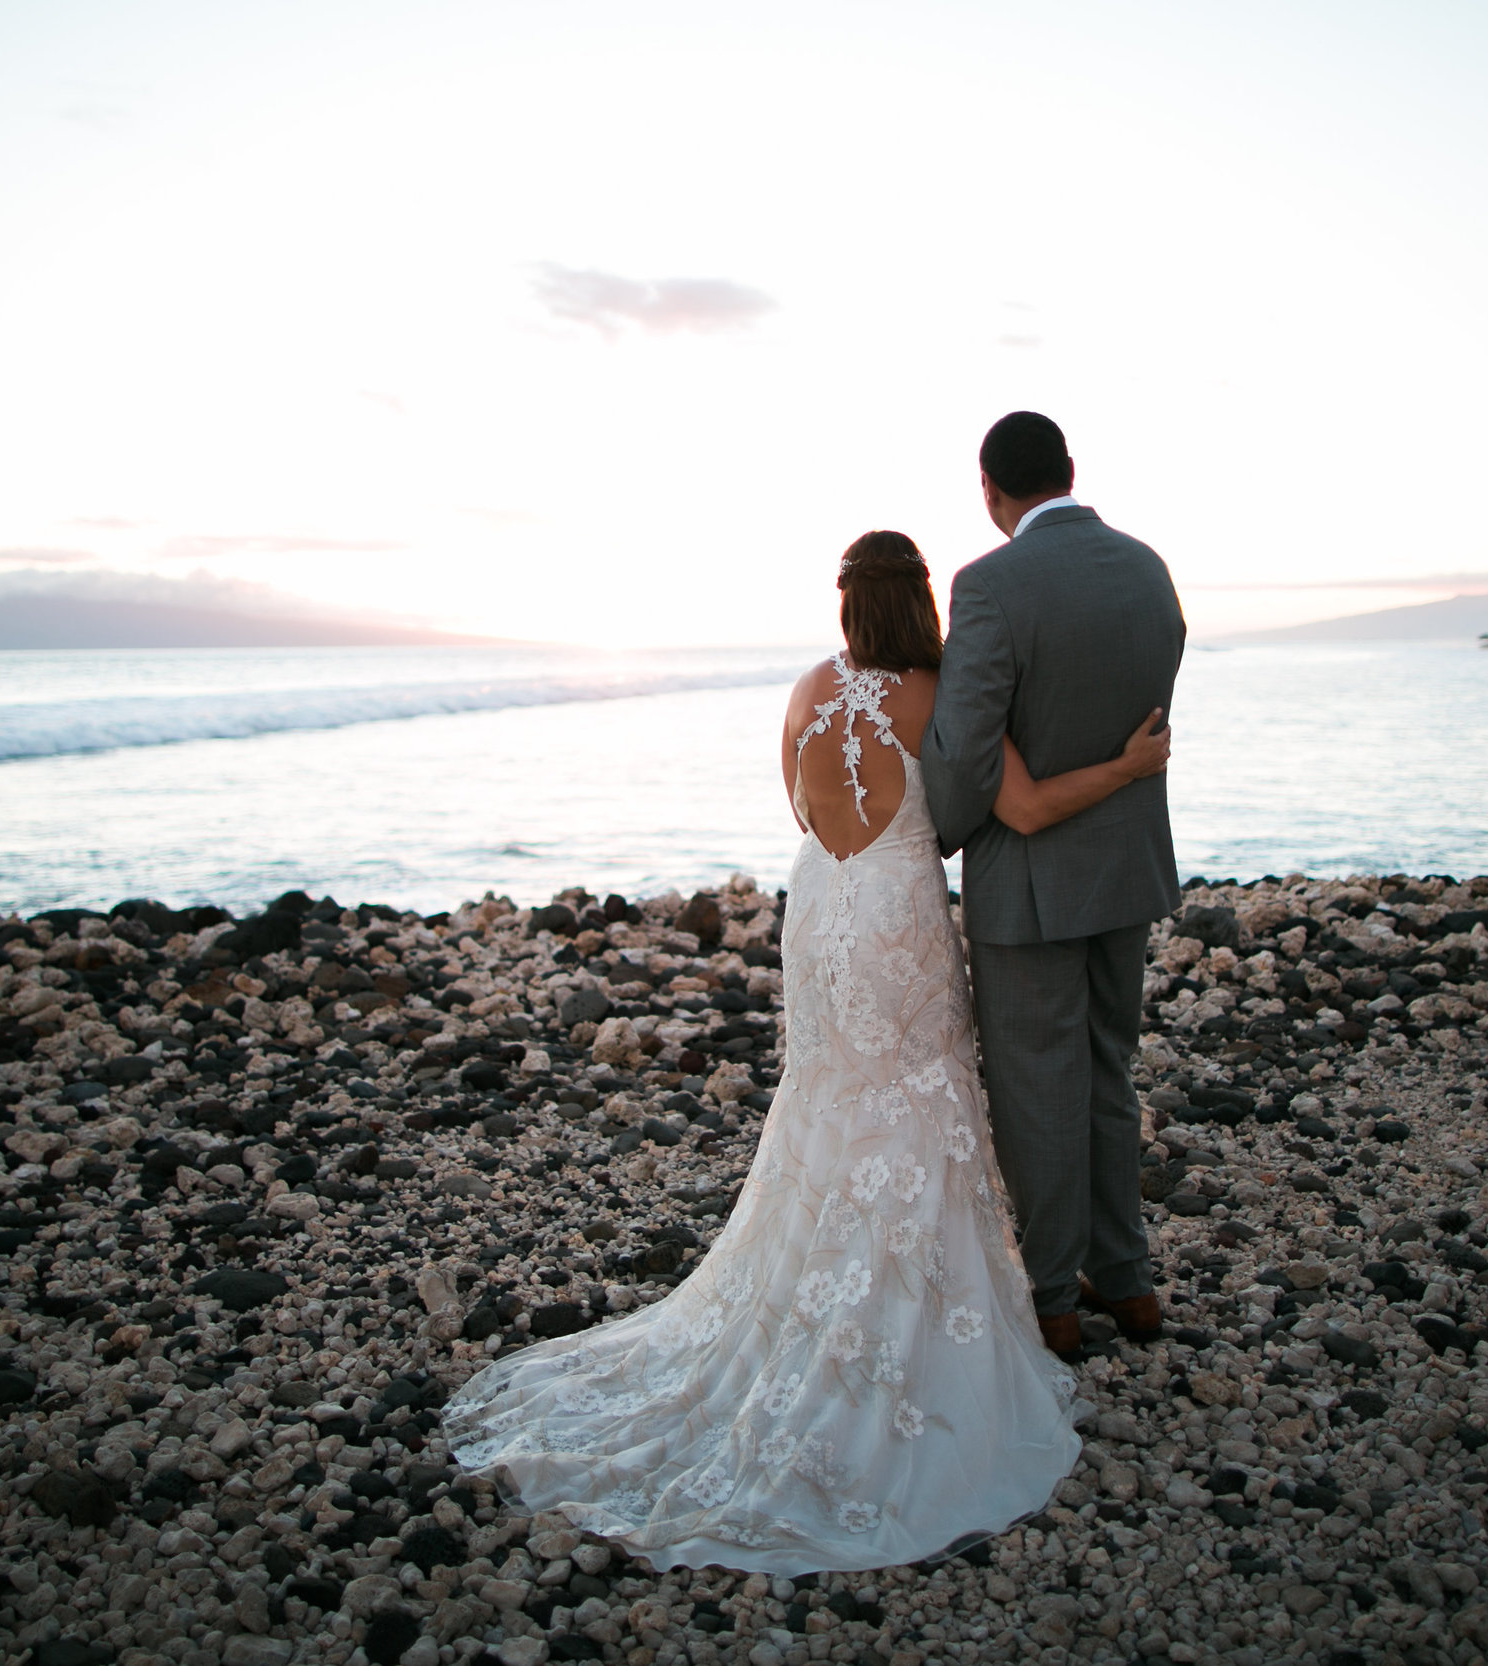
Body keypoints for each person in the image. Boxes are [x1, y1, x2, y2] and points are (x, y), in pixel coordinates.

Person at [440, 526, 1170, 1572]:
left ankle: (805, 1285)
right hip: (895, 917)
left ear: (843, 606)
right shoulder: (932, 691)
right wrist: (1127, 764)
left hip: (821, 907)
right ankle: (910, 1306)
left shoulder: (802, 690)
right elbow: (1005, 808)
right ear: (918, 603)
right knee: (917, 1093)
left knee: (829, 1095)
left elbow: (798, 804)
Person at [922, 410, 1188, 1359]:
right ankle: (1128, 1281)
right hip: (1125, 869)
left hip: (1028, 883)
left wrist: (934, 837)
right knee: (1108, 1074)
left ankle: (1050, 1298)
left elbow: (964, 748)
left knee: (1038, 1085)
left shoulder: (988, 586)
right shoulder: (1146, 568)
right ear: (1070, 472)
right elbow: (1146, 718)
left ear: (990, 492)